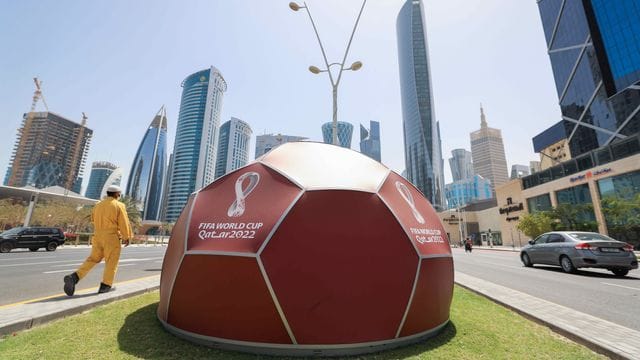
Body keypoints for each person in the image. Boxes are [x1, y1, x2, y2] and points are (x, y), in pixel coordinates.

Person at [63, 185, 133, 296]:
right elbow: (124, 222)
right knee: (111, 262)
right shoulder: (119, 205)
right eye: (119, 194)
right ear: (116, 194)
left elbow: (93, 219)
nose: (119, 196)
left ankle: (74, 277)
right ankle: (106, 285)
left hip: (97, 236)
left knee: (92, 259)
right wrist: (127, 237)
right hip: (111, 237)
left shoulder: (98, 205)